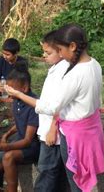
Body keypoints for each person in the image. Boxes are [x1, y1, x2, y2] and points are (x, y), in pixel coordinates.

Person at [5, 24, 104, 192]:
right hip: (88, 129)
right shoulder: (94, 64)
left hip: (75, 134)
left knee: (75, 180)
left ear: (72, 46)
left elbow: (52, 107)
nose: (60, 54)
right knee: (76, 177)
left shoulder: (75, 74)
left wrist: (20, 95)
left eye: (60, 49)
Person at [0, 63, 40, 192]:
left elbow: (28, 140)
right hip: (18, 140)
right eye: (7, 87)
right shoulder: (17, 100)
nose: (7, 90)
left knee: (8, 157)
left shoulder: (33, 105)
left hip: (32, 147)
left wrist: (2, 147)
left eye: (11, 88)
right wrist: (6, 134)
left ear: (24, 88)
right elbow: (20, 123)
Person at [33, 30, 69, 192]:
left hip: (52, 134)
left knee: (47, 172)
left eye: (48, 52)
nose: (44, 55)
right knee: (54, 174)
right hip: (50, 131)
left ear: (61, 52)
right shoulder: (57, 67)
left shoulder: (63, 70)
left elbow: (59, 105)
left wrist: (52, 129)